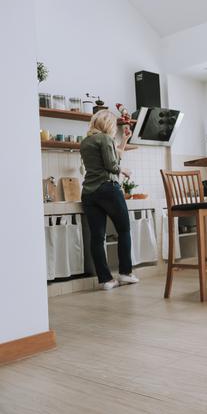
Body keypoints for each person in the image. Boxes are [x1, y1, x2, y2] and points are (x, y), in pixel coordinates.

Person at [80, 110, 138, 290]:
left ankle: (105, 280)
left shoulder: (86, 142)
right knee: (124, 230)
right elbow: (112, 165)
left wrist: (125, 140)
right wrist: (123, 170)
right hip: (108, 189)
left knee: (97, 238)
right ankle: (125, 273)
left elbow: (114, 154)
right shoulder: (105, 139)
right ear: (108, 124)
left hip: (89, 193)